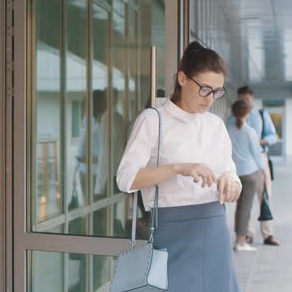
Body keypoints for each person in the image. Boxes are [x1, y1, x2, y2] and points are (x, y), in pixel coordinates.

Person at [116, 41, 242, 291]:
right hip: (173, 230)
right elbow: (126, 179)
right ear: (182, 79)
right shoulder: (154, 120)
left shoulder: (215, 125)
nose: (210, 98)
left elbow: (232, 177)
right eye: (205, 89)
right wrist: (178, 168)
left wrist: (231, 183)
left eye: (217, 92)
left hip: (215, 227)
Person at [232, 86, 280, 246]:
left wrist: (261, 141)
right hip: (244, 164)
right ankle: (247, 234)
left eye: (247, 100)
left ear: (252, 99)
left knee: (265, 196)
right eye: (241, 100)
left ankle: (268, 234)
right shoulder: (231, 118)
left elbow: (273, 137)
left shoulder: (261, 115)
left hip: (260, 158)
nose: (244, 102)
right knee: (246, 201)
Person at [227, 100, 267, 252]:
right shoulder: (250, 131)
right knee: (246, 208)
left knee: (239, 207)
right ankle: (241, 242)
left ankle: (239, 239)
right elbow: (256, 154)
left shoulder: (227, 129)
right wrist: (263, 170)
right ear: (247, 113)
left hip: (234, 173)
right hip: (250, 173)